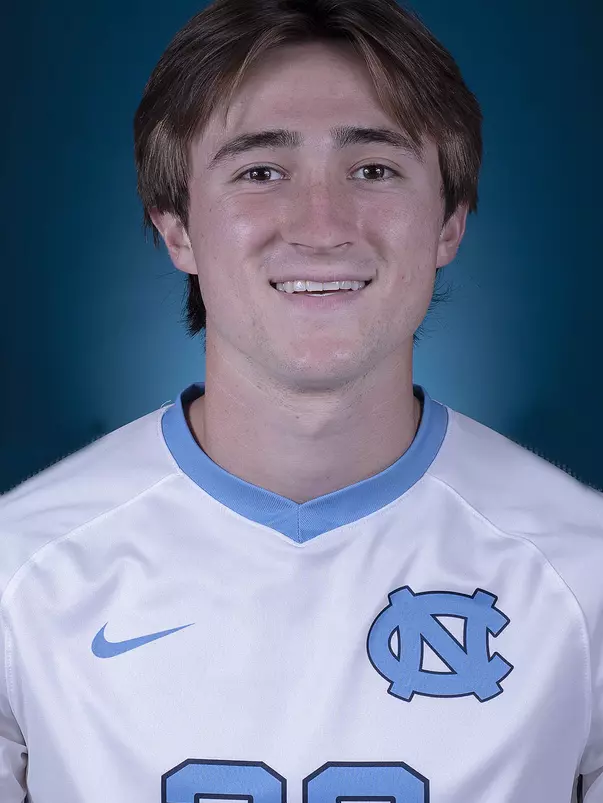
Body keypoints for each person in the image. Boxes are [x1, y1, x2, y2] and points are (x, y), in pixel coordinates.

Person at [1, 0, 601, 800]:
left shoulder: (581, 575)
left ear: (449, 223)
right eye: (260, 172)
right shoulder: (22, 574)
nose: (321, 226)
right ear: (176, 227)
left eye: (374, 169)